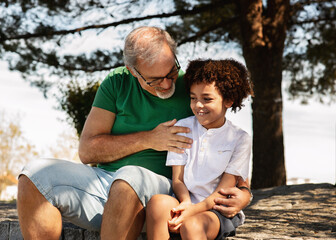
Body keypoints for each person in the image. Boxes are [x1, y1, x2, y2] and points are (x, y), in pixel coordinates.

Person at [17, 26, 252, 240]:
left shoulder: (193, 87)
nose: (168, 85)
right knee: (33, 175)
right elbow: (87, 151)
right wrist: (149, 139)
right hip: (105, 183)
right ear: (133, 71)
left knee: (129, 178)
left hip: (162, 193)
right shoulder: (116, 83)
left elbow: (225, 144)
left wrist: (244, 193)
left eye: (171, 72)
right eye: (155, 80)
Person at [146, 59, 254, 240]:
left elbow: (223, 192)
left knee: (192, 225)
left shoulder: (240, 139)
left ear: (228, 100)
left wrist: (192, 211)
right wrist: (186, 203)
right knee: (157, 203)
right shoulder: (182, 128)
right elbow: (178, 179)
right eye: (193, 98)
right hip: (185, 201)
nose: (198, 105)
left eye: (207, 99)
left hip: (217, 210)